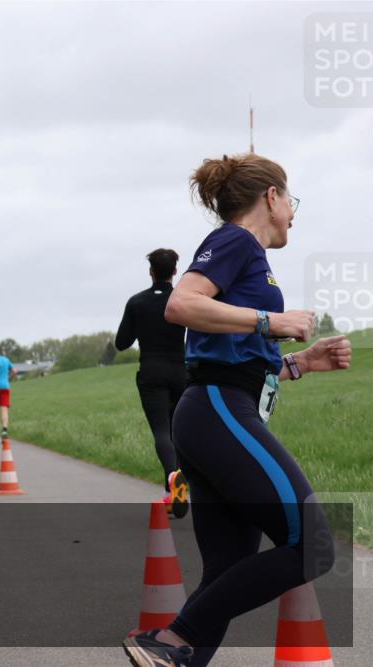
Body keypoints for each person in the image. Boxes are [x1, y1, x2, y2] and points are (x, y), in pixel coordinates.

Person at [123, 153, 351, 667]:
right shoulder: (235, 240)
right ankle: (173, 640)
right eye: (290, 200)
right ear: (270, 197)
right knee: (312, 545)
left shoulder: (248, 258)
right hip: (217, 412)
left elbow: (237, 360)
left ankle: (173, 653)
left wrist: (300, 364)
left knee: (225, 572)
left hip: (216, 410)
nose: (293, 212)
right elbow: (180, 305)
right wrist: (272, 320)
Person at [115, 248, 190, 518]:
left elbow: (121, 343)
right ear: (175, 272)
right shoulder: (183, 299)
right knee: (178, 432)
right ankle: (177, 490)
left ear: (151, 271)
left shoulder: (137, 303)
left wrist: (141, 326)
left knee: (161, 432)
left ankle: (172, 479)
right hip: (181, 370)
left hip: (150, 371)